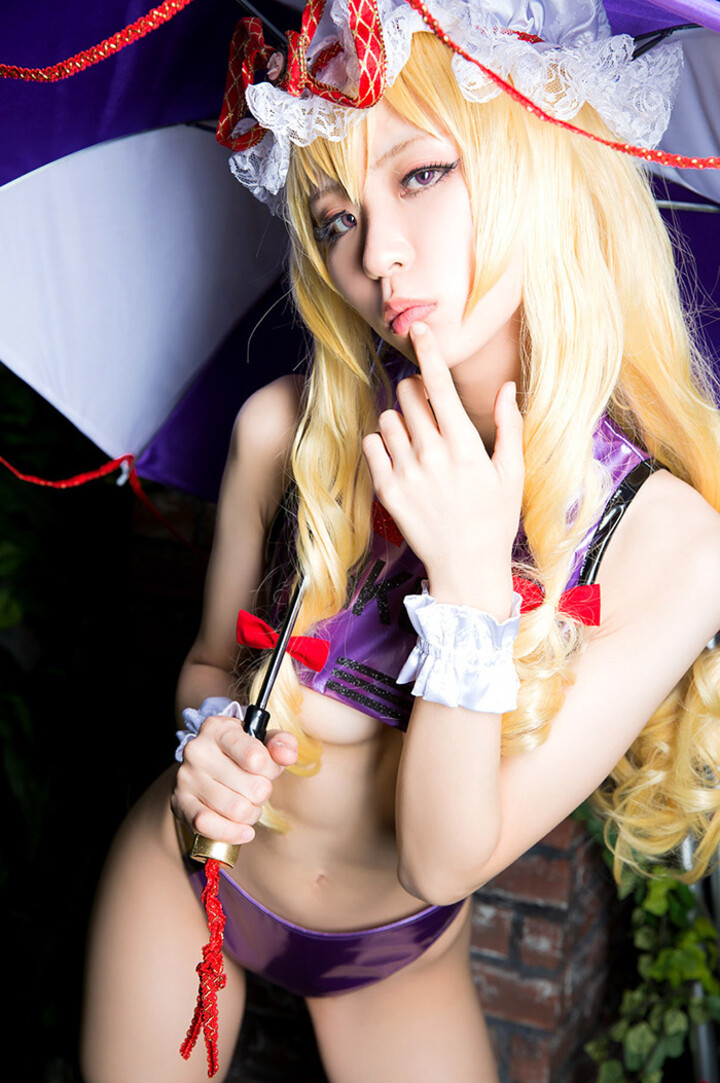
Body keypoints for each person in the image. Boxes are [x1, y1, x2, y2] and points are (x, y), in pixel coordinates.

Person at [80, 2, 720, 1080]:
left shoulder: (673, 544)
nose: (375, 253)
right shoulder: (286, 431)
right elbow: (205, 663)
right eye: (335, 217)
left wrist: (469, 581)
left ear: (542, 153)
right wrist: (210, 739)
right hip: (189, 872)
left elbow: (439, 860)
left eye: (421, 173)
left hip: (394, 951)